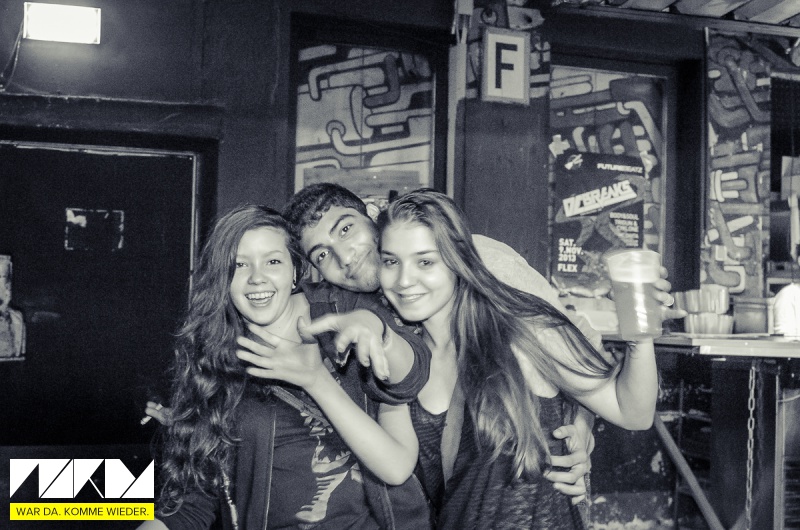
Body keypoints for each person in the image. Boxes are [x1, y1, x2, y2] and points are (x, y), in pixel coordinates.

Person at [371, 189, 661, 528]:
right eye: (391, 261)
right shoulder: (403, 358)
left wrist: (640, 337)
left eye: (425, 262)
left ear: (457, 260)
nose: (404, 280)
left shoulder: (524, 329)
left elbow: (633, 412)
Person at [139, 204, 433, 530]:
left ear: (295, 270)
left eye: (273, 261)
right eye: (239, 265)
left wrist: (372, 331)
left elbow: (411, 379)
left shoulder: (343, 310)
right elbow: (190, 507)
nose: (257, 278)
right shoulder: (214, 360)